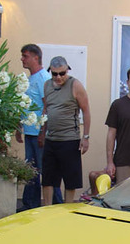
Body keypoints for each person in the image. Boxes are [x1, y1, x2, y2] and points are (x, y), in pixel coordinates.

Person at [14, 44, 62, 210]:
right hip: (29, 132)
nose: (22, 59)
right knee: (31, 170)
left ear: (36, 57)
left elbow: (46, 106)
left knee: (46, 171)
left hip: (40, 134)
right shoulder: (29, 79)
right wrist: (18, 126)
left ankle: (58, 205)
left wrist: (43, 132)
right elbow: (26, 105)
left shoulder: (43, 79)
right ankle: (30, 204)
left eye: (25, 56)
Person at [39, 56, 91, 204]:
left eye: (62, 73)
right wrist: (42, 132)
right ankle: (47, 209)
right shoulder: (47, 85)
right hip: (51, 139)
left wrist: (86, 137)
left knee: (70, 179)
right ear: (50, 72)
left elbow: (86, 111)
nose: (59, 77)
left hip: (69, 139)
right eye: (55, 74)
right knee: (48, 178)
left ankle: (68, 208)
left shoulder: (75, 85)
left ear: (67, 70)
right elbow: (46, 109)